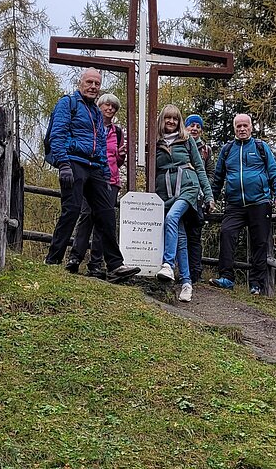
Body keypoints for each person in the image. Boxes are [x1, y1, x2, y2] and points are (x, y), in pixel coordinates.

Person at [44, 68, 139, 283]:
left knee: (106, 213)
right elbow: (57, 134)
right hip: (74, 162)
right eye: (89, 82)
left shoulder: (96, 113)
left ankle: (115, 265)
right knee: (72, 210)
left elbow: (102, 146)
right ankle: (53, 260)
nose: (93, 86)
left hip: (95, 167)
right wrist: (63, 164)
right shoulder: (67, 103)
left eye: (97, 83)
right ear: (81, 83)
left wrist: (105, 174)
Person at [210, 113, 276, 296]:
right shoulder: (227, 149)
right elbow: (218, 177)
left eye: (245, 126)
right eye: (239, 126)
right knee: (227, 233)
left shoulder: (260, 147)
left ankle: (256, 284)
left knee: (259, 242)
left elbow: (273, 171)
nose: (242, 129)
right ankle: (226, 278)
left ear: (251, 127)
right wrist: (211, 198)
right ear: (234, 128)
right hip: (235, 204)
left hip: (259, 202)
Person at [155, 105, 215, 302]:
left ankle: (168, 265)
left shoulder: (187, 140)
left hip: (187, 188)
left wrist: (208, 195)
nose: (171, 122)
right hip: (165, 192)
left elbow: (200, 167)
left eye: (175, 118)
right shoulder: (155, 142)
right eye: (167, 118)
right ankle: (187, 284)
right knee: (180, 235)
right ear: (162, 120)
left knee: (172, 218)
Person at [67, 93, 126, 278]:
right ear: (99, 106)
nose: (110, 109)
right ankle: (75, 258)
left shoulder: (117, 132)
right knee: (86, 216)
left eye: (113, 107)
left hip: (111, 180)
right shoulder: (91, 126)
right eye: (107, 105)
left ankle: (96, 265)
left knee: (103, 222)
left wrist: (121, 155)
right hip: (91, 177)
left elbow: (118, 160)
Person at [184, 114, 214, 283]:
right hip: (180, 194)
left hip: (198, 198)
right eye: (191, 125)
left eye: (198, 126)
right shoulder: (180, 143)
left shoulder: (206, 150)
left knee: (194, 235)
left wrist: (204, 189)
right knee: (179, 232)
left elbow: (210, 173)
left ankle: (195, 272)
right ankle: (179, 270)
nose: (194, 129)